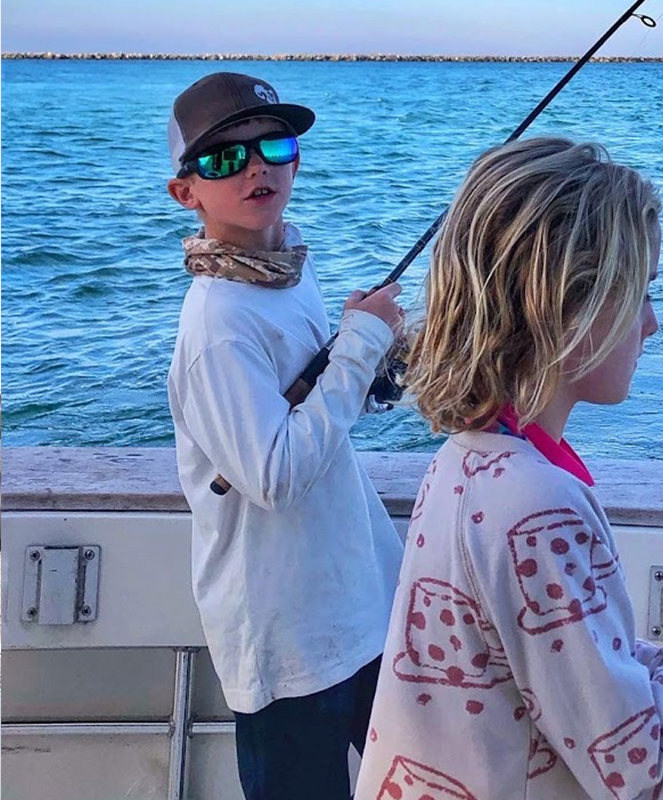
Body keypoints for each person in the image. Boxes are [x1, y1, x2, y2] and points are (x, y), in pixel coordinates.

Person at [356, 137, 663, 800]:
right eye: (639, 292)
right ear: (565, 305)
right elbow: (638, 770)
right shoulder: (537, 505)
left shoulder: (467, 463)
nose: (650, 325)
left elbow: (566, 663)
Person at [164, 72, 405, 800]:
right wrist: (360, 346)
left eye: (274, 143)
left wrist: (374, 366)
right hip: (286, 643)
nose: (256, 165)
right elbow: (273, 474)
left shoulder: (287, 274)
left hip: (360, 608)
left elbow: (317, 414)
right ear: (188, 192)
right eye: (222, 159)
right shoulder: (216, 327)